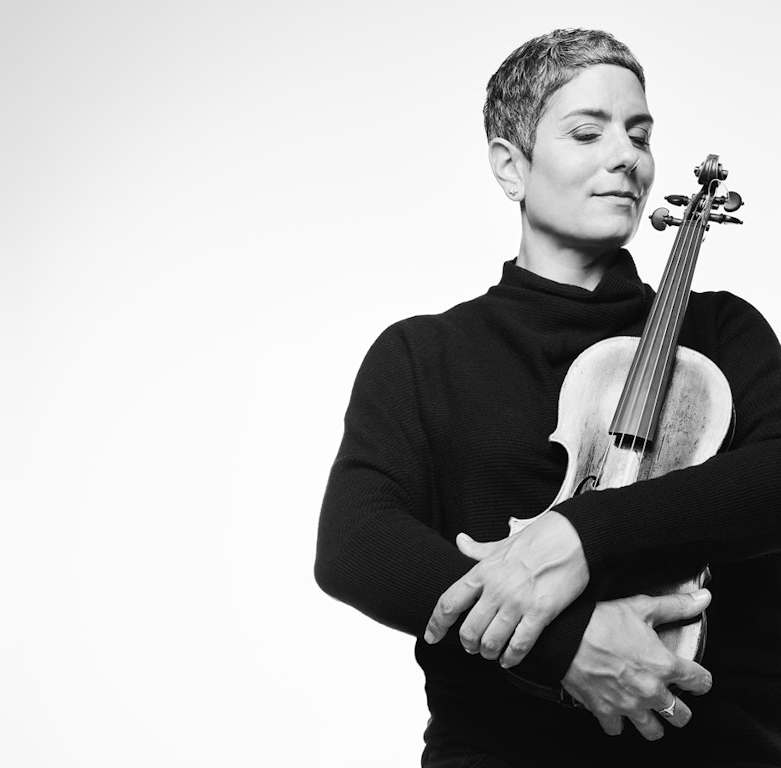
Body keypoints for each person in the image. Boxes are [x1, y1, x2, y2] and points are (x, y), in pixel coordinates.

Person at [315, 28, 781, 767]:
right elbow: (356, 546)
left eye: (639, 133)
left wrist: (583, 532)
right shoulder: (423, 355)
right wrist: (562, 647)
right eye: (587, 132)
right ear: (511, 166)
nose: (627, 156)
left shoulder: (721, 331)